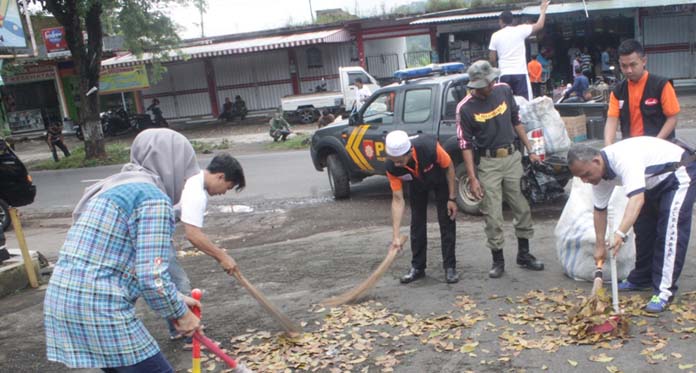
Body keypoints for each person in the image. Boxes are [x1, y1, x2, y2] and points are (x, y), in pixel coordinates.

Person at [45, 129, 202, 371]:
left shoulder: (115, 187)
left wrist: (176, 297)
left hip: (65, 299)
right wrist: (181, 314)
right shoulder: (153, 198)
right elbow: (152, 276)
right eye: (185, 171)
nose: (184, 180)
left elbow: (114, 259)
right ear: (174, 164)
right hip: (101, 307)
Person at [567, 138, 696, 313]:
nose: (584, 180)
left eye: (586, 174)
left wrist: (619, 234)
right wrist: (599, 246)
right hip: (651, 182)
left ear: (596, 161)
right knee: (643, 229)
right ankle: (642, 278)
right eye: (580, 177)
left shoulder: (624, 159)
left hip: (677, 175)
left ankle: (664, 292)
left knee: (669, 232)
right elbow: (599, 211)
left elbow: (636, 199)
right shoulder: (599, 175)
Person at [456, 60, 544, 279]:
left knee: (521, 206)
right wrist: (473, 178)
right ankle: (498, 260)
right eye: (487, 83)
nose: (492, 84)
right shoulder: (465, 108)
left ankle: (524, 254)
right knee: (492, 213)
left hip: (512, 156)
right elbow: (465, 145)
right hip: (488, 163)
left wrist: (530, 150)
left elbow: (517, 121)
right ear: (477, 85)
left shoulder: (503, 90)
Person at [165, 153, 246, 348]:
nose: (224, 192)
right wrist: (222, 256)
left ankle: (177, 328)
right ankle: (190, 336)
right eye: (227, 187)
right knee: (179, 283)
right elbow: (193, 235)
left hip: (155, 233)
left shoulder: (194, 182)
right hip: (148, 233)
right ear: (219, 176)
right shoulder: (196, 191)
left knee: (169, 282)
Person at [385, 130, 459, 284]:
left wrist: (452, 198)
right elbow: (398, 199)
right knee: (417, 223)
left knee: (446, 221)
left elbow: (449, 166)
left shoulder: (429, 147)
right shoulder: (392, 166)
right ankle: (418, 268)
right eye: (394, 161)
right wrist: (396, 236)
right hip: (416, 184)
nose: (397, 165)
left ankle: (450, 267)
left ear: (410, 151)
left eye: (400, 161)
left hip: (439, 180)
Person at [603, 39, 680, 146]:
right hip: (632, 147)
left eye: (633, 65)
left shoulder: (661, 85)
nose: (628, 70)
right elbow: (612, 120)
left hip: (661, 147)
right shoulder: (618, 91)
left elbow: (672, 118)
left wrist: (656, 142)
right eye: (624, 66)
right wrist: (608, 145)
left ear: (644, 61)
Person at [488, 0, 549, 100]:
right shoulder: (520, 30)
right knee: (525, 104)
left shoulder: (495, 36)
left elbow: (492, 58)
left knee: (504, 105)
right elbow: (539, 25)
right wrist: (543, 10)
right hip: (520, 74)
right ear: (512, 21)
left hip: (504, 74)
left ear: (501, 21)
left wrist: (496, 70)